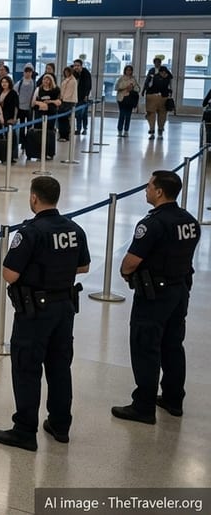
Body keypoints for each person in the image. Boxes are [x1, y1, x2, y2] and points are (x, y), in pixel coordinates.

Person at [0, 176, 89, 452]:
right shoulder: (74, 229)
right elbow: (83, 267)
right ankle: (60, 425)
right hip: (65, 308)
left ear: (34, 198)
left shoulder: (30, 232)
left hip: (35, 311)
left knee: (27, 368)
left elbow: (10, 274)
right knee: (60, 366)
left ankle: (24, 429)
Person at [112, 170, 200, 424]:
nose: (146, 190)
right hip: (180, 289)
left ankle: (143, 405)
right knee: (173, 344)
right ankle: (174, 398)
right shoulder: (189, 221)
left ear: (159, 191)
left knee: (145, 346)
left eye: (149, 186)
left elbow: (131, 261)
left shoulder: (152, 223)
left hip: (155, 294)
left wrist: (124, 272)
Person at [143, 63, 173, 138]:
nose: (164, 74)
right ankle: (157, 131)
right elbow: (170, 89)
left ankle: (154, 131)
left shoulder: (154, 76)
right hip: (161, 97)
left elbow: (148, 86)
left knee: (153, 115)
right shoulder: (168, 78)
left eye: (164, 72)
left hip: (153, 97)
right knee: (161, 115)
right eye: (163, 72)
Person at [0, 75, 19, 163]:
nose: (4, 84)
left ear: (9, 83)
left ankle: (10, 156)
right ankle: (1, 156)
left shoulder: (13, 93)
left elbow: (16, 106)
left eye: (6, 82)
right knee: (0, 136)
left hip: (9, 117)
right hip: (0, 116)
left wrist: (14, 118)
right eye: (2, 82)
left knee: (11, 137)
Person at [115, 65, 139, 137]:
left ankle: (126, 130)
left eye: (130, 70)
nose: (128, 71)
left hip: (130, 99)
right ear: (125, 70)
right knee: (122, 114)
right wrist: (125, 87)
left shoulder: (133, 79)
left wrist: (132, 88)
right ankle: (119, 130)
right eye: (127, 70)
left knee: (128, 115)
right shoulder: (121, 78)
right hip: (121, 99)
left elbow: (138, 88)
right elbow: (117, 87)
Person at [73, 58, 93, 135]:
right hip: (76, 96)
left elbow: (88, 85)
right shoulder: (74, 73)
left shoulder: (86, 73)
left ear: (81, 66)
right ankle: (78, 129)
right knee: (78, 113)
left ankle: (84, 128)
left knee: (83, 114)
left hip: (84, 96)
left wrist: (86, 95)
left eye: (78, 65)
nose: (76, 67)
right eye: (75, 65)